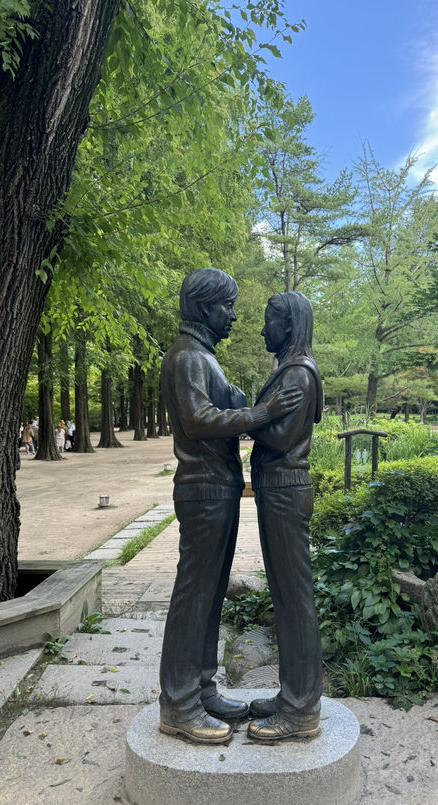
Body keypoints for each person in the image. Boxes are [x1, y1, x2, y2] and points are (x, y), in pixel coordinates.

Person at [158, 268, 302, 745]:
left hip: (216, 488)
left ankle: (200, 689)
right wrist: (261, 412)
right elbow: (198, 421)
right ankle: (178, 705)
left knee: (211, 593)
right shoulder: (187, 357)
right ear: (204, 308)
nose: (235, 317)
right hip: (202, 490)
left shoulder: (202, 358)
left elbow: (211, 410)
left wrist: (235, 400)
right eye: (227, 306)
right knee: (194, 595)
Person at [246, 291, 324, 742]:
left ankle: (300, 709)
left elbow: (278, 438)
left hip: (284, 492)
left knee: (295, 600)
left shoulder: (298, 373)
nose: (262, 329)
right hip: (277, 491)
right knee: (285, 595)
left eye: (269, 320)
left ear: (289, 325)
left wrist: (244, 416)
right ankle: (291, 693)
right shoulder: (288, 371)